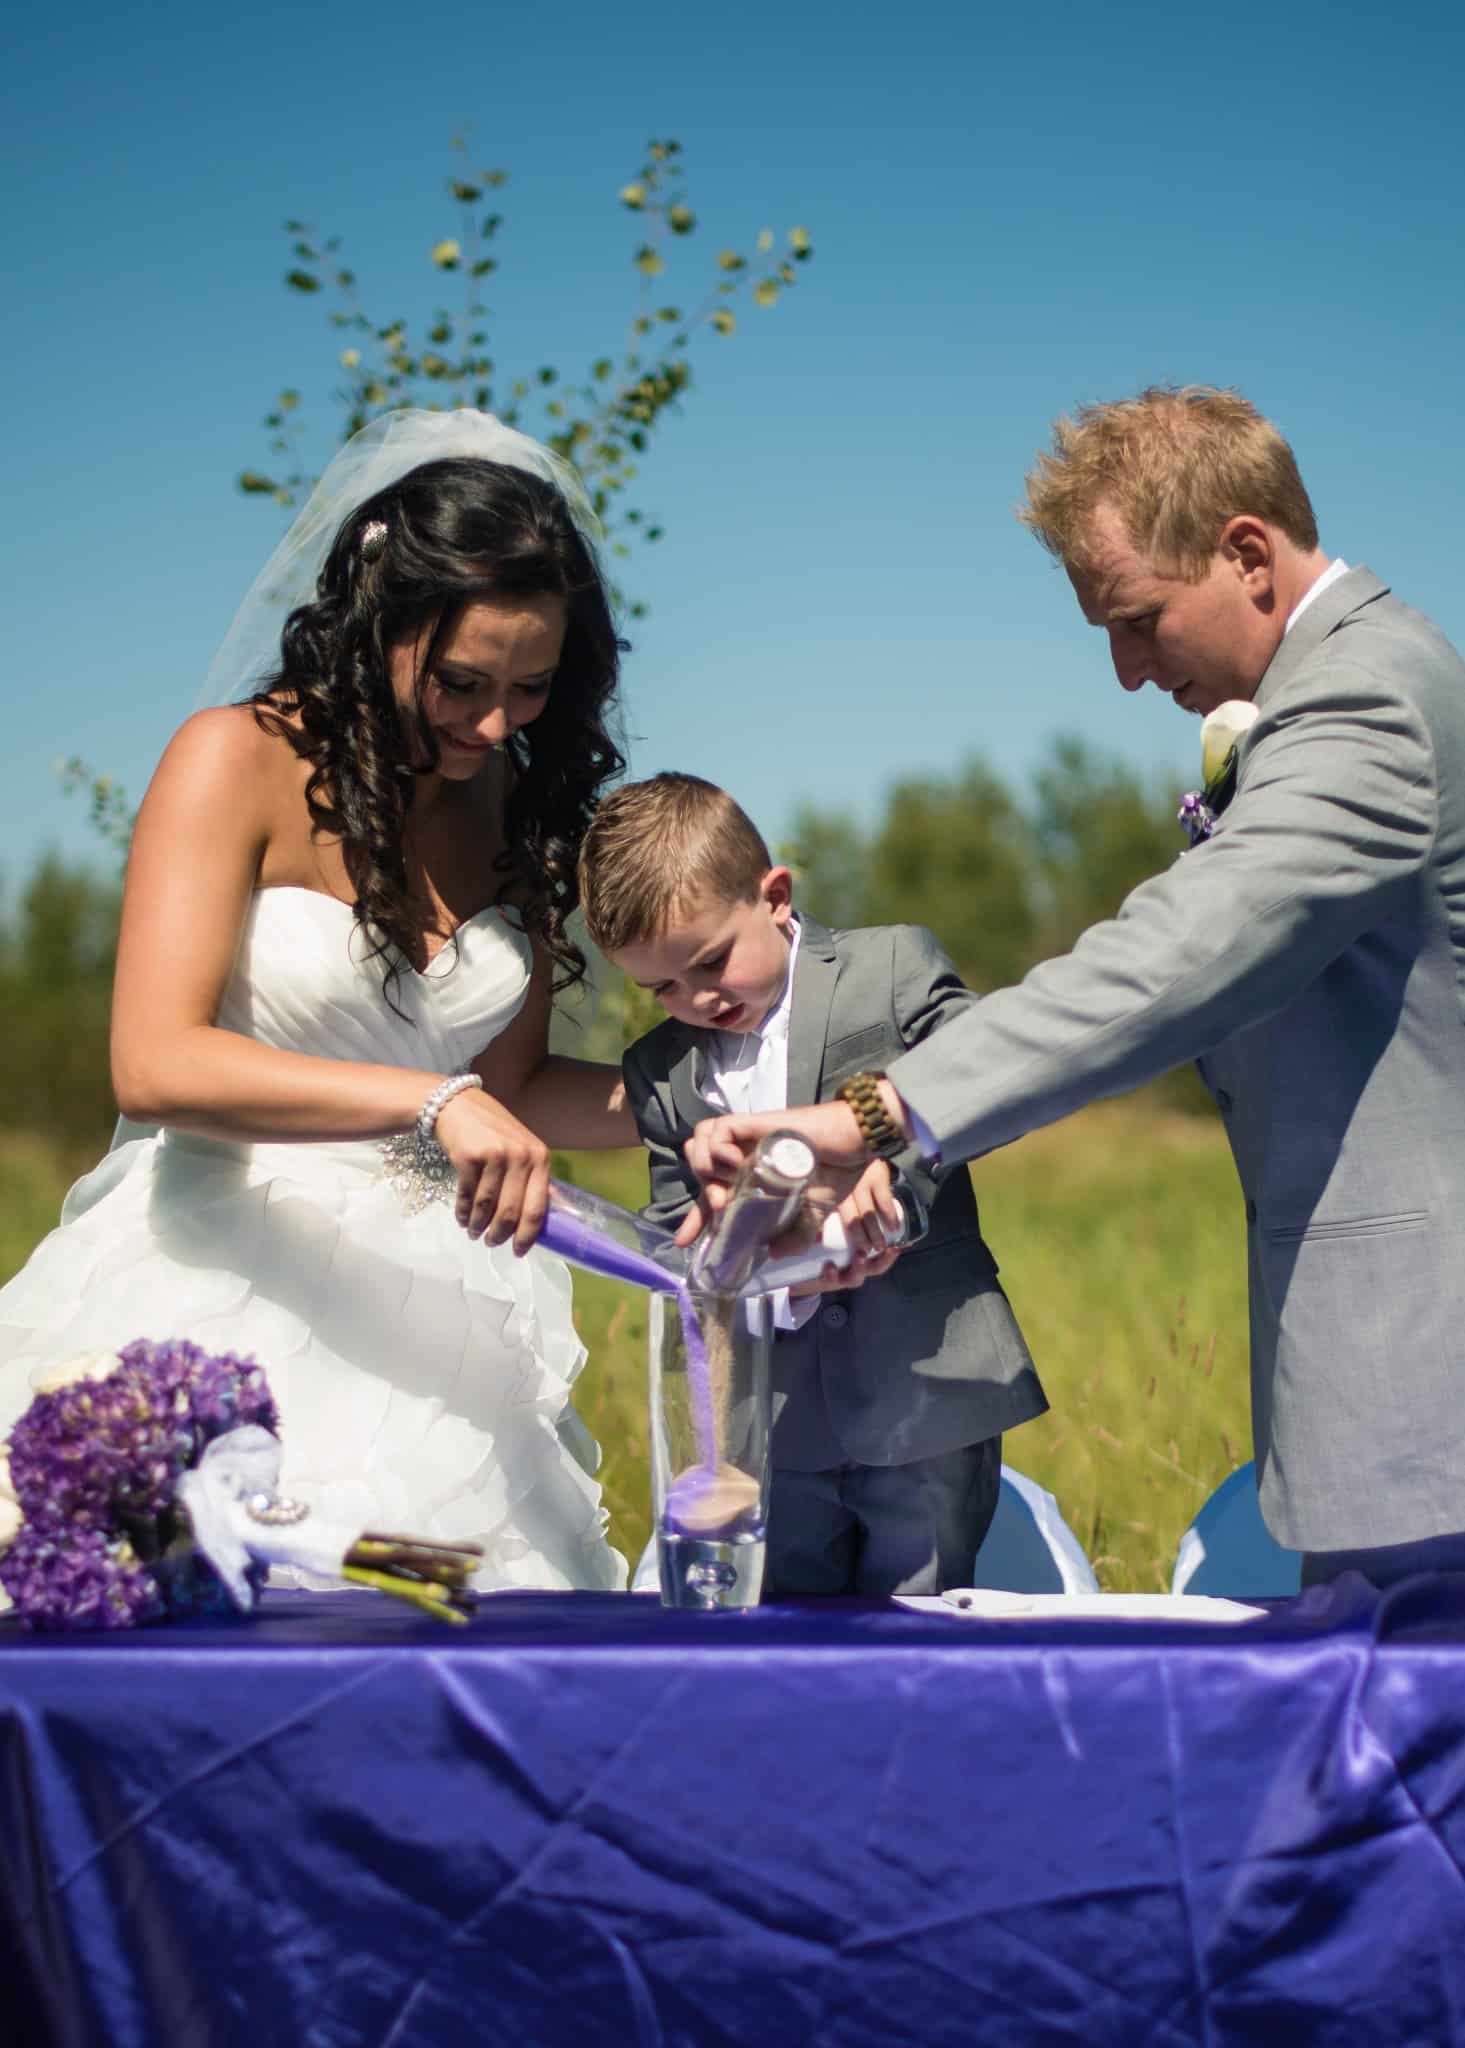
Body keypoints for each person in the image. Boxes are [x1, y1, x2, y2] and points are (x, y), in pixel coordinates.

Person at [683, 384, 1465, 1592]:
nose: (1123, 669)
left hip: (1425, 1374)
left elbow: (1177, 955)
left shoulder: (1368, 702)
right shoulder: (1339, 695)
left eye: (1139, 620)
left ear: (1246, 552)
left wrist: (873, 1112)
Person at [0, 409, 641, 1593]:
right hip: (223, 1270)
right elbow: (154, 1062)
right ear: (379, 618)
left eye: (530, 687)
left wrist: (690, 1106)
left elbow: (512, 1097)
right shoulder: (230, 759)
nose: (494, 721)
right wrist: (428, 1100)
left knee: (472, 1643)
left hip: (439, 1318)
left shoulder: (510, 800)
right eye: (460, 680)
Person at [578, 772, 1046, 1596]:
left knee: (922, 1623)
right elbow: (674, 1222)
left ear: (775, 897)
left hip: (923, 1386)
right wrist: (711, 1234)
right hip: (771, 1427)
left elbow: (990, 1079)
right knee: (792, 1639)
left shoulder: (890, 964)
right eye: (660, 988)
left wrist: (892, 1174)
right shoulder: (659, 1070)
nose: (695, 998)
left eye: (710, 961)